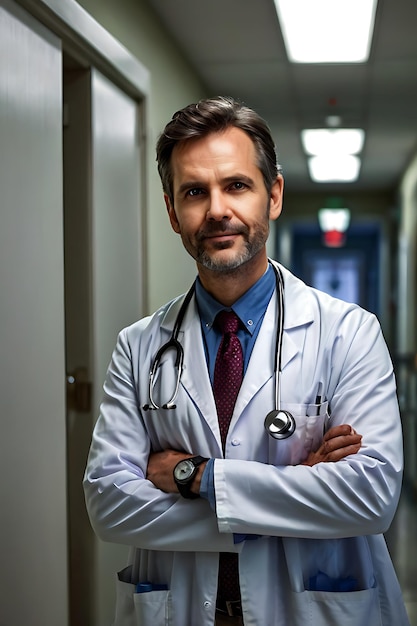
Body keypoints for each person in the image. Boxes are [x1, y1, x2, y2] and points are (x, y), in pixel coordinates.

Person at [84, 96, 409, 626]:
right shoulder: (139, 345)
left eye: (236, 185)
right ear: (172, 211)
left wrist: (196, 476)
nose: (216, 210)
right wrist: (290, 496)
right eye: (194, 192)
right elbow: (109, 504)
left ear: (273, 195)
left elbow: (368, 497)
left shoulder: (349, 333)